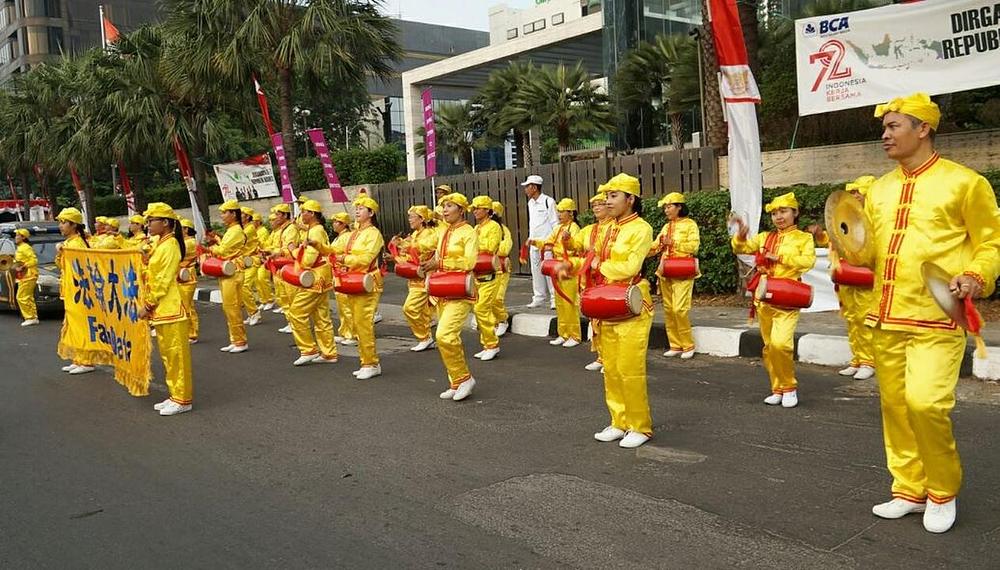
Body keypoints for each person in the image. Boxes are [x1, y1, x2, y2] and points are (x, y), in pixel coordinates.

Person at [864, 93, 1000, 533]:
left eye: (893, 126)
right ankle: (908, 488)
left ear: (923, 129)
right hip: (885, 316)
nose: (885, 135)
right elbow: (869, 253)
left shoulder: (965, 183)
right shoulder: (878, 190)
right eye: (884, 128)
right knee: (895, 408)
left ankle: (941, 490)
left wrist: (976, 275)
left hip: (937, 317)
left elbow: (991, 242)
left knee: (925, 404)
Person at [569, 174, 654, 449]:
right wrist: (571, 266)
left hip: (631, 302)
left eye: (614, 196)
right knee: (612, 369)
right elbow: (590, 258)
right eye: (607, 196)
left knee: (630, 369)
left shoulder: (641, 229)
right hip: (607, 300)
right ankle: (619, 422)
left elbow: (630, 267)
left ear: (631, 199)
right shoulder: (606, 229)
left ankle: (640, 426)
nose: (607, 201)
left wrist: (597, 266)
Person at [731, 192, 816, 409]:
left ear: (795, 213)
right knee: (769, 347)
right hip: (764, 297)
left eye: (783, 212)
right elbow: (741, 248)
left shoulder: (803, 238)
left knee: (781, 344)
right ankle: (777, 388)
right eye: (775, 213)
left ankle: (789, 387)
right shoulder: (764, 237)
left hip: (788, 296)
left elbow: (808, 261)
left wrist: (779, 258)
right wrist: (740, 236)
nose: (778, 217)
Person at [811, 176, 877, 381]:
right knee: (851, 318)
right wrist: (820, 235)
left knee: (864, 318)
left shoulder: (876, 219)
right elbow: (835, 239)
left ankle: (869, 361)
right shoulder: (848, 216)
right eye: (852, 192)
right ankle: (857, 359)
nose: (855, 195)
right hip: (847, 276)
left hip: (866, 277)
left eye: (859, 191)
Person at [421, 192, 478, 401]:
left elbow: (470, 262)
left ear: (461, 210)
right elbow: (436, 254)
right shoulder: (445, 231)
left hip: (461, 290)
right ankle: (456, 381)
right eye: (443, 206)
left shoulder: (469, 232)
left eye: (449, 206)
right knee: (447, 338)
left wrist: (441, 264)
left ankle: (465, 378)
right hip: (443, 288)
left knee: (444, 335)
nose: (444, 210)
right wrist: (430, 263)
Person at [141, 203, 194, 416]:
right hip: (163, 309)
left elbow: (162, 280)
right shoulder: (161, 243)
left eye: (151, 220)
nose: (148, 224)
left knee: (176, 356)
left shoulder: (170, 245)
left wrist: (148, 304)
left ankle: (183, 399)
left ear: (165, 222)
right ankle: (175, 395)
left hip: (171, 307)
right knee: (168, 356)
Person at [336, 194, 385, 379]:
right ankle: (366, 362)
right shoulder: (355, 233)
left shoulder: (374, 234)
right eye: (356, 208)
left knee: (363, 323)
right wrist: (321, 248)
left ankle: (371, 363)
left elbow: (365, 259)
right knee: (357, 323)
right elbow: (339, 251)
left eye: (361, 208)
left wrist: (344, 259)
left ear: (371, 213)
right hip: (354, 280)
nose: (357, 211)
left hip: (368, 282)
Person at [287, 199, 338, 366]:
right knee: (321, 317)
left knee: (296, 312)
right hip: (321, 276)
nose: (301, 215)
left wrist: (293, 250)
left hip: (315, 277)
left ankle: (308, 349)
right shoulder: (315, 229)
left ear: (312, 214)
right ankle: (328, 353)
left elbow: (308, 260)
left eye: (304, 212)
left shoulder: (315, 231)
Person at [650, 192, 700, 359]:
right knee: (669, 309)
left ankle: (688, 344)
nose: (666, 210)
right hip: (666, 270)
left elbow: (694, 247)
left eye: (669, 206)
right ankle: (675, 345)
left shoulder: (690, 224)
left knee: (680, 309)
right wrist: (641, 249)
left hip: (683, 270)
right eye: (665, 207)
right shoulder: (666, 227)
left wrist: (674, 243)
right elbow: (656, 246)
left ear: (679, 207)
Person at [534, 198, 582, 347]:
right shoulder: (558, 228)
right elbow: (548, 241)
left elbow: (574, 247)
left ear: (571, 213)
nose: (559, 215)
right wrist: (535, 242)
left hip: (568, 267)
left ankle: (574, 335)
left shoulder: (574, 228)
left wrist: (561, 244)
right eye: (558, 212)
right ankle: (563, 333)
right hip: (557, 266)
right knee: (560, 302)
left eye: (562, 212)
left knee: (569, 302)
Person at [573, 190, 612, 371]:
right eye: (594, 206)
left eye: (600, 204)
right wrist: (567, 241)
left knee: (607, 318)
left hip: (608, 277)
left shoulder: (615, 227)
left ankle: (610, 358)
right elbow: (576, 244)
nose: (596, 208)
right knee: (594, 318)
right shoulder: (588, 229)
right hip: (590, 279)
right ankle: (601, 356)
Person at [392, 205, 438, 351]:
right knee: (422, 311)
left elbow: (422, 252)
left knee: (410, 308)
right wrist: (397, 253)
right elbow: (408, 256)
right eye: (409, 217)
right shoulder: (415, 234)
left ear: (422, 219)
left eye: (412, 217)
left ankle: (424, 337)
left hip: (426, 278)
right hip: (415, 279)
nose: (410, 220)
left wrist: (404, 246)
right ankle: (427, 338)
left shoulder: (430, 233)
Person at [54, 207, 95, 374]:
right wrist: (60, 253)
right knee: (74, 325)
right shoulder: (69, 243)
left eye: (64, 222)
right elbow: (62, 266)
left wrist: (64, 251)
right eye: (60, 222)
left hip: (80, 292)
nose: (60, 226)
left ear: (74, 225)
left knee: (81, 326)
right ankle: (78, 359)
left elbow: (82, 269)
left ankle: (86, 361)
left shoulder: (77, 244)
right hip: (70, 290)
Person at [207, 199, 248, 353]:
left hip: (234, 271)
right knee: (228, 307)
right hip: (227, 270)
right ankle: (235, 339)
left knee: (232, 307)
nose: (222, 216)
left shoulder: (236, 230)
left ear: (233, 214)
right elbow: (225, 248)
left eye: (225, 213)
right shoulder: (232, 230)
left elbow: (223, 251)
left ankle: (240, 341)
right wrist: (217, 241)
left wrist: (211, 247)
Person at [470, 195, 503, 361]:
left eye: (478, 208)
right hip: (478, 273)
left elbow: (490, 247)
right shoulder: (476, 228)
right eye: (474, 209)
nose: (475, 211)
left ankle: (492, 344)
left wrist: (473, 245)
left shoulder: (494, 226)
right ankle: (487, 344)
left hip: (490, 273)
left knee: (481, 309)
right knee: (479, 310)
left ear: (487, 210)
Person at [522, 174, 557, 309]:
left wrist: (553, 242)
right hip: (534, 243)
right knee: (536, 272)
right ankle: (539, 297)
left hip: (546, 244)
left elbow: (554, 223)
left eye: (527, 187)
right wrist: (530, 237)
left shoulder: (549, 201)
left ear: (534, 187)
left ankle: (554, 298)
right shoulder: (530, 203)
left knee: (549, 272)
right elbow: (534, 223)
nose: (525, 189)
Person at [328, 211, 358, 344]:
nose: (334, 224)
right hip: (337, 273)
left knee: (347, 305)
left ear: (343, 224)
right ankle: (344, 331)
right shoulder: (339, 237)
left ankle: (353, 333)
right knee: (341, 305)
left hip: (343, 273)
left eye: (336, 222)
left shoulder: (347, 237)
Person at [491, 200, 513, 337]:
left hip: (501, 268)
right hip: (486, 269)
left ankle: (502, 320)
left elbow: (505, 249)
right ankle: (494, 322)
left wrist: (492, 250)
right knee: (487, 298)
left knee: (497, 298)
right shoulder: (479, 228)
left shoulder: (504, 230)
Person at [177, 218, 200, 344]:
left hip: (188, 276)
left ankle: (192, 333)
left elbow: (179, 253)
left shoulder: (190, 242)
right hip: (181, 275)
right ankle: (188, 332)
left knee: (187, 306)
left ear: (186, 229)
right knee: (185, 305)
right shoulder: (184, 241)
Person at [240, 206, 262, 326]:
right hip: (245, 261)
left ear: (247, 216)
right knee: (242, 287)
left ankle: (254, 312)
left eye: (241, 214)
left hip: (252, 260)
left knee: (245, 286)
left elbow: (236, 241)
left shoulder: (249, 229)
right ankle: (251, 313)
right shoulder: (244, 228)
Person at [13, 229, 39, 326]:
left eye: (18, 235)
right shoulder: (21, 247)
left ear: (23, 237)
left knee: (21, 297)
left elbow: (34, 260)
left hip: (28, 275)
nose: (16, 237)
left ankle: (30, 317)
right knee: (28, 297)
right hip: (24, 276)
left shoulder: (25, 247)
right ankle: (33, 317)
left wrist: (23, 266)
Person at [254, 212, 275, 312]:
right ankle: (263, 300)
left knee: (263, 278)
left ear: (258, 222)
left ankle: (270, 299)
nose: (271, 222)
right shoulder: (256, 231)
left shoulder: (263, 231)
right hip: (258, 258)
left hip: (266, 258)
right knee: (257, 280)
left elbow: (265, 245)